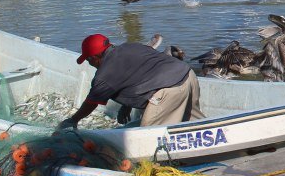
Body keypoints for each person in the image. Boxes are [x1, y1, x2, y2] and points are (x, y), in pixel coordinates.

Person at [58, 34, 204, 129]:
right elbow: (138, 74)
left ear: (94, 57)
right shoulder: (130, 47)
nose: (90, 64)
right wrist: (126, 105)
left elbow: (91, 103)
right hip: (188, 75)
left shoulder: (104, 75)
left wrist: (73, 120)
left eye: (89, 60)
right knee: (195, 124)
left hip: (169, 90)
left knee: (148, 136)